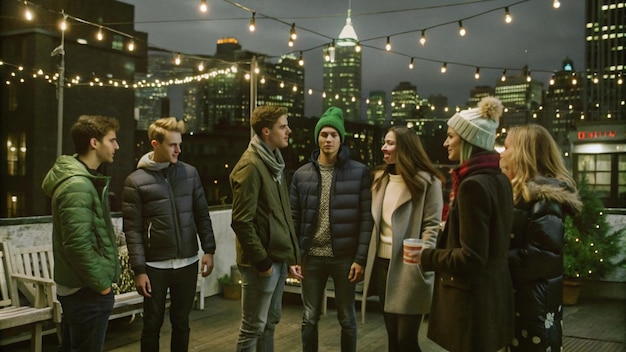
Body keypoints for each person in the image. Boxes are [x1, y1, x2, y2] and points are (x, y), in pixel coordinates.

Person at [413, 96, 515, 352]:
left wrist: (426, 256)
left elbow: (472, 257)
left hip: (472, 304)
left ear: (469, 139)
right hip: (494, 297)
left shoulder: (471, 186)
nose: (446, 142)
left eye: (451, 136)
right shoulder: (499, 179)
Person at [121, 117, 216, 352]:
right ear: (155, 144)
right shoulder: (135, 182)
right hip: (155, 267)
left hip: (188, 261)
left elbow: (202, 214)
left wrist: (209, 250)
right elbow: (132, 231)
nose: (178, 150)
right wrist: (139, 270)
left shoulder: (190, 174)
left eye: (180, 144)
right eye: (172, 145)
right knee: (151, 325)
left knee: (181, 323)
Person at [290, 107, 373, 352]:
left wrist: (360, 259)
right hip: (311, 257)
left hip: (345, 258)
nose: (328, 139)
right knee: (309, 316)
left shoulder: (359, 172)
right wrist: (294, 256)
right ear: (317, 137)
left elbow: (366, 219)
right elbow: (294, 219)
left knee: (347, 318)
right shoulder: (301, 175)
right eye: (324, 134)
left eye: (334, 135)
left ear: (341, 139)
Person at [42, 115, 121, 352]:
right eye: (112, 140)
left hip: (80, 288)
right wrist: (102, 286)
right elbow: (77, 245)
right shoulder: (78, 185)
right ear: (94, 143)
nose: (117, 146)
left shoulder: (82, 179)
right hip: (86, 291)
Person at [500, 124, 582, 351]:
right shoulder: (525, 194)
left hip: (533, 310)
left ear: (523, 153)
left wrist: (495, 259)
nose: (502, 153)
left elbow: (541, 256)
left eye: (506, 147)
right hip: (525, 305)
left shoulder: (544, 198)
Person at [361, 126, 444, 352]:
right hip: (381, 265)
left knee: (406, 338)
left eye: (389, 143)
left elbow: (431, 226)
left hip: (410, 267)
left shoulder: (428, 182)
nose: (383, 148)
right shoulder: (379, 179)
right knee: (393, 338)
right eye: (384, 142)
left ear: (405, 149)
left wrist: (421, 255)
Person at [230, 105, 301, 352]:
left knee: (269, 323)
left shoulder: (275, 162)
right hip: (261, 265)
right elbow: (241, 221)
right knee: (252, 328)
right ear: (266, 131)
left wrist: (291, 256)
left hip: (278, 258)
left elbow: (282, 215)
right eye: (283, 126)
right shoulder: (251, 166)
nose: (288, 130)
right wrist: (263, 264)